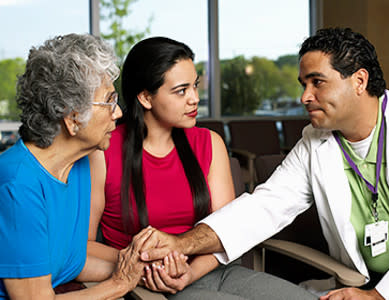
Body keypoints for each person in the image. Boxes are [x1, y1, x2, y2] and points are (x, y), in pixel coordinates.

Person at [138, 28, 389, 300]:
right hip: (366, 283)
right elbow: (262, 209)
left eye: (317, 82)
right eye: (303, 84)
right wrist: (181, 243)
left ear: (359, 80)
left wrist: (381, 296)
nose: (305, 96)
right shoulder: (316, 142)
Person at [87, 36, 316, 300]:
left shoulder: (210, 143)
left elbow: (228, 229)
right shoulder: (103, 150)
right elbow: (83, 248)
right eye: (181, 90)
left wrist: (189, 273)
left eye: (195, 86)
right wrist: (148, 264)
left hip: (213, 272)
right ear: (145, 98)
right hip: (145, 282)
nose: (195, 98)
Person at [0, 33, 153, 299]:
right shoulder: (18, 185)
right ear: (72, 118)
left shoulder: (80, 162)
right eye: (109, 101)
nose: (118, 113)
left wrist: (146, 267)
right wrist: (119, 284)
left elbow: (74, 262)